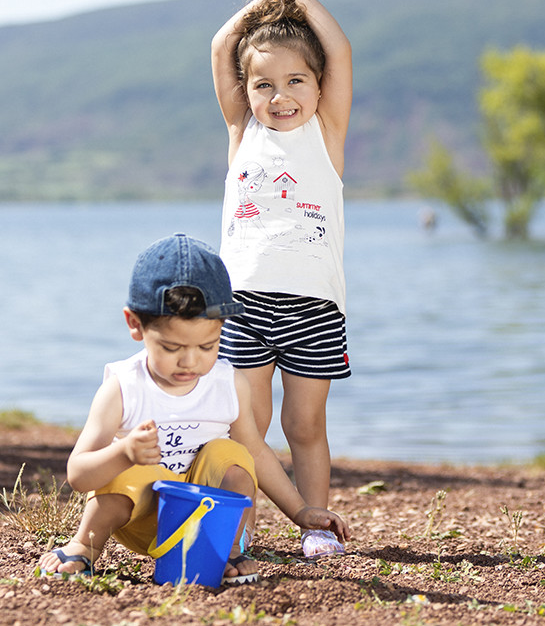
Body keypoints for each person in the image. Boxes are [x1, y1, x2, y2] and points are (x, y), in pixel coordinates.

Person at [37, 233, 349, 584]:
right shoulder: (123, 386)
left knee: (230, 452)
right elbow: (78, 474)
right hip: (140, 515)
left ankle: (227, 552)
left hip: (204, 520)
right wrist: (124, 453)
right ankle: (85, 546)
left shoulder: (228, 384)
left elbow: (257, 453)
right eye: (171, 347)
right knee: (134, 469)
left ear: (223, 329)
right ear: (135, 324)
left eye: (207, 345)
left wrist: (300, 510)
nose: (190, 361)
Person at [211, 0, 353, 559]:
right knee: (245, 424)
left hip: (314, 306)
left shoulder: (327, 134)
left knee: (304, 426)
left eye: (296, 79)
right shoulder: (243, 133)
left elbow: (340, 50)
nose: (281, 94)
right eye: (264, 84)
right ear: (247, 91)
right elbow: (222, 48)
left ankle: (316, 527)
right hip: (242, 301)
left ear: (319, 86)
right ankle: (239, 525)